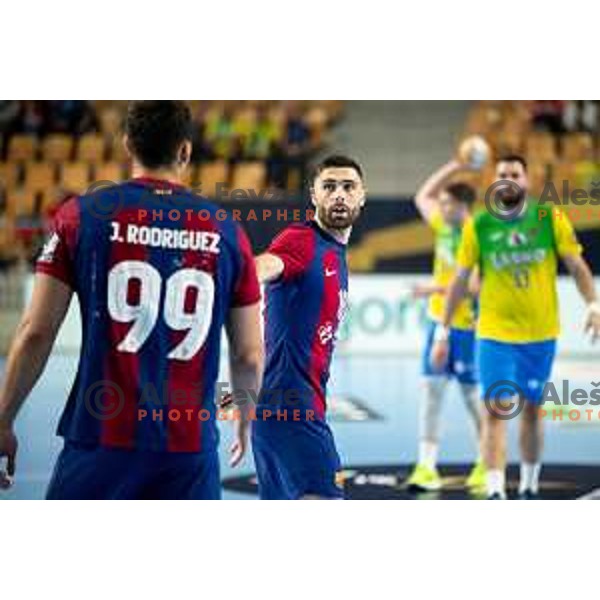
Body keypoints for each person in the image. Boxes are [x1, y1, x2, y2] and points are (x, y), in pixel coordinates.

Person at [0, 101, 263, 499]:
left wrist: (4, 420)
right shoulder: (227, 231)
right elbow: (248, 354)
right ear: (185, 151)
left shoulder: (81, 215)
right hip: (187, 447)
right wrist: (245, 417)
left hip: (100, 437)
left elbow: (36, 332)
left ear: (127, 144)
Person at [431, 154, 600, 499]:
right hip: (494, 334)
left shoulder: (548, 217)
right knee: (494, 409)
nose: (509, 179)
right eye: (502, 173)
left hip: (540, 335)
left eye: (515, 174)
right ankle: (495, 492)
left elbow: (576, 265)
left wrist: (594, 304)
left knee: (532, 411)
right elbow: (460, 282)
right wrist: (443, 330)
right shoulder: (479, 225)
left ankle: (529, 486)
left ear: (526, 180)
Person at [251, 154, 366, 499]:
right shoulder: (301, 240)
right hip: (291, 411)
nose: (339, 195)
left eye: (348, 187)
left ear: (362, 195)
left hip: (286, 409)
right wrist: (241, 278)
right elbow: (263, 266)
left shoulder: (335, 251)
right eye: (329, 187)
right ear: (313, 195)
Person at [406, 160, 485, 492]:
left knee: (471, 398)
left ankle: (486, 462)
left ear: (462, 207)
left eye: (447, 202)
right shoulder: (443, 226)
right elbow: (422, 195)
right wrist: (458, 165)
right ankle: (426, 466)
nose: (440, 205)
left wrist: (432, 289)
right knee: (432, 393)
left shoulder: (477, 234)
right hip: (438, 322)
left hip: (467, 326)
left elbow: (475, 287)